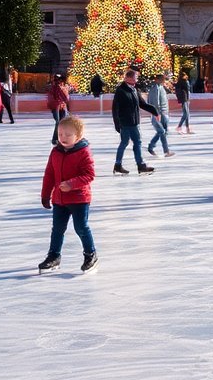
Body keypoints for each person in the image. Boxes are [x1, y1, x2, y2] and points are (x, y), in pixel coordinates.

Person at [38, 115, 99, 273]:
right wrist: (45, 195)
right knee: (57, 229)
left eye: (68, 135)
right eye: (60, 134)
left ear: (78, 136)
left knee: (81, 227)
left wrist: (72, 184)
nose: (63, 138)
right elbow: (49, 174)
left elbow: (89, 175)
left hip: (79, 199)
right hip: (59, 199)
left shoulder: (84, 152)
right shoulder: (55, 152)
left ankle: (90, 254)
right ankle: (54, 256)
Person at [112, 69, 158, 175]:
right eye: (135, 77)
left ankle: (140, 165)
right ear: (128, 78)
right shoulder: (121, 90)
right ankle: (118, 165)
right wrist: (117, 124)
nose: (136, 79)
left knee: (137, 143)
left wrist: (155, 111)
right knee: (124, 143)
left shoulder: (134, 90)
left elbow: (142, 104)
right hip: (125, 123)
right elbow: (115, 109)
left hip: (135, 123)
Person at [143, 73, 174, 158]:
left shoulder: (161, 88)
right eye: (162, 79)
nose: (163, 81)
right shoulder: (155, 89)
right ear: (157, 80)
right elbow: (155, 102)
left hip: (164, 112)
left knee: (163, 131)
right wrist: (157, 113)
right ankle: (166, 151)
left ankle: (151, 146)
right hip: (158, 113)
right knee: (162, 132)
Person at [48, 72, 71, 146]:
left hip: (60, 106)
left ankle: (58, 138)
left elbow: (65, 98)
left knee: (61, 122)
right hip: (57, 106)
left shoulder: (59, 87)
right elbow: (65, 98)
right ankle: (55, 139)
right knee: (59, 122)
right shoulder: (56, 87)